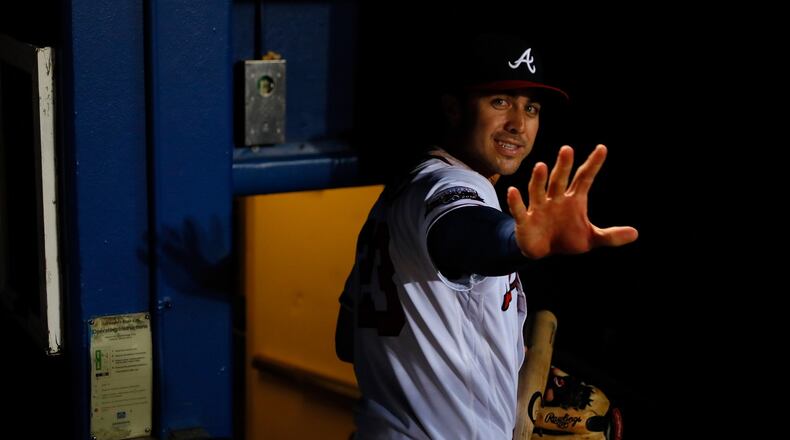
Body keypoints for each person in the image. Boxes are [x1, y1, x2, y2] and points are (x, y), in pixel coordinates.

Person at [335, 33, 638, 439]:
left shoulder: (398, 194)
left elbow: (347, 340)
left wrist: (507, 362)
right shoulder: (453, 184)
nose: (518, 123)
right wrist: (514, 241)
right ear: (453, 109)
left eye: (530, 107)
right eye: (500, 102)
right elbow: (464, 233)